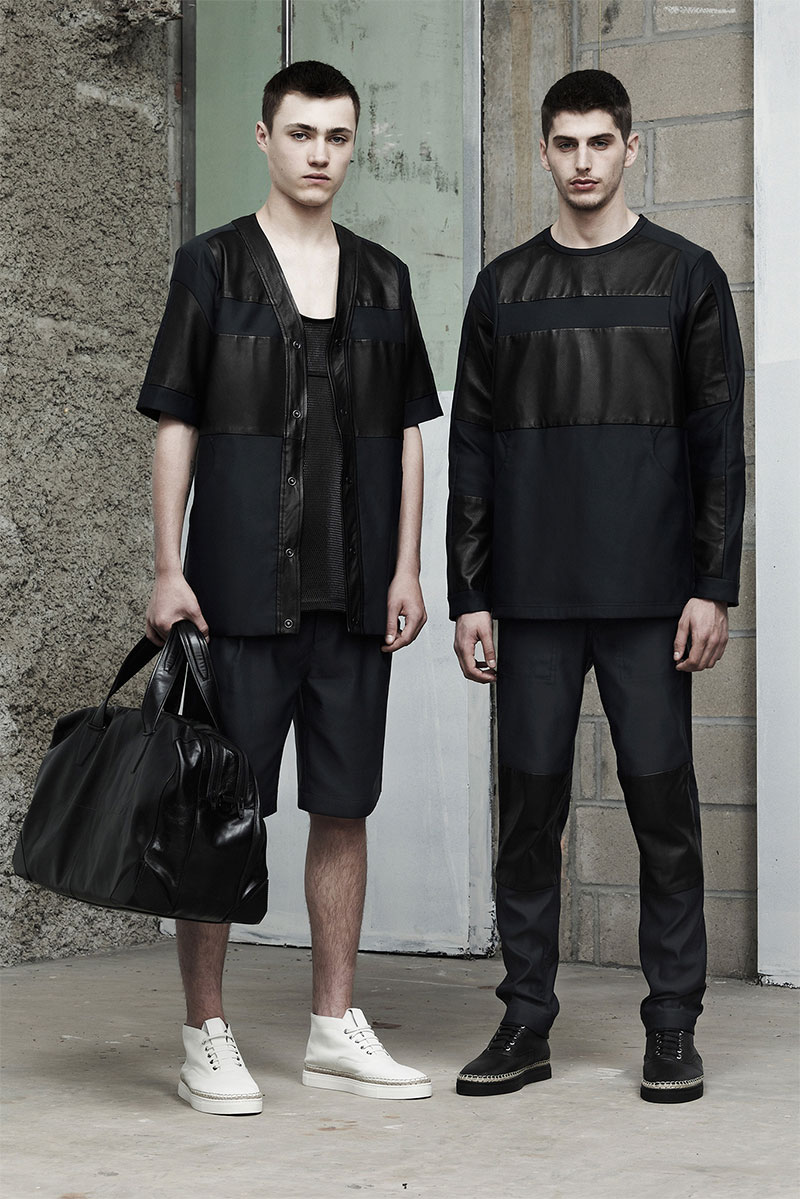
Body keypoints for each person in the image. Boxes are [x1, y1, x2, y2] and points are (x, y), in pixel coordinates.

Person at [138, 60, 441, 1114]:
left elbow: (409, 432)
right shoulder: (211, 265)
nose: (320, 153)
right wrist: (169, 565)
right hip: (235, 596)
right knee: (220, 815)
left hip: (352, 600)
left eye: (337, 136)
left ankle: (332, 1028)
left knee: (343, 808)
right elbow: (176, 418)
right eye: (301, 133)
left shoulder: (385, 278)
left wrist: (406, 566)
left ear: (355, 145)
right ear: (263, 137)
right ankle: (204, 1032)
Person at [446, 70, 744, 1104]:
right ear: (543, 152)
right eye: (564, 143)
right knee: (528, 814)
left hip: (650, 599)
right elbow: (472, 448)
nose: (582, 161)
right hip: (529, 600)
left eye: (599, 142)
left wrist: (712, 583)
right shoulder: (503, 288)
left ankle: (672, 1027)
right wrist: (470, 592)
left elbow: (717, 444)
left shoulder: (686, 276)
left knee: (662, 811)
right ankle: (524, 1021)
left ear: (630, 148)